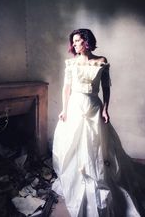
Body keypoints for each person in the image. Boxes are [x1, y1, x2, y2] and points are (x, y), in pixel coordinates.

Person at [52, 29, 145, 217]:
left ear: (86, 41)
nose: (74, 44)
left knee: (96, 146)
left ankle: (99, 178)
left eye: (78, 41)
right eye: (74, 41)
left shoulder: (101, 61)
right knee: (74, 145)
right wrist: (64, 109)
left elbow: (106, 88)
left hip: (94, 106)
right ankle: (78, 178)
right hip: (75, 107)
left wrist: (105, 109)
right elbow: (66, 89)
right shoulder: (70, 63)